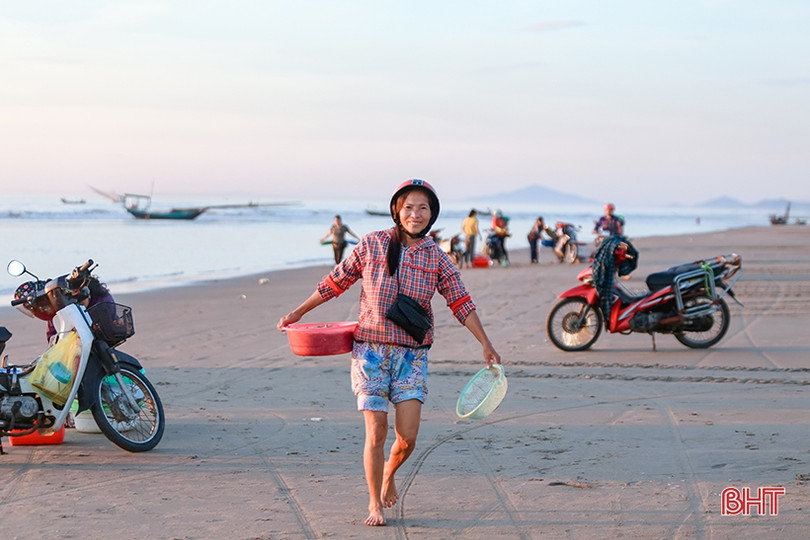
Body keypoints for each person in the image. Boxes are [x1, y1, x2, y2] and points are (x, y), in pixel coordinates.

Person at [277, 179, 501, 527]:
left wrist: (485, 343)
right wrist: (298, 312)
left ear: (431, 214)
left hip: (412, 356)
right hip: (370, 353)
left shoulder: (437, 258)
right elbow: (336, 281)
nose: (415, 214)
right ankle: (374, 503)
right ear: (397, 210)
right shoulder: (372, 244)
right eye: (409, 207)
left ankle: (389, 472)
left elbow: (460, 301)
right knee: (377, 430)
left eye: (423, 208)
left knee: (407, 438)